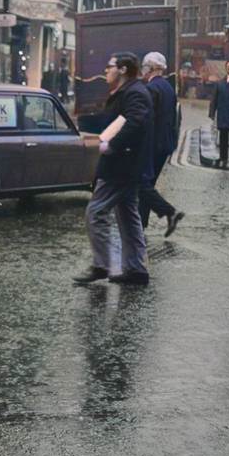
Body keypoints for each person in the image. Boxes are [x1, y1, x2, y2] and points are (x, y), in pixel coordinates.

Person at [73, 52, 153, 286]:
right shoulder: (127, 91)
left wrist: (112, 145)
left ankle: (102, 265)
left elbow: (135, 123)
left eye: (110, 66)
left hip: (121, 166)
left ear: (123, 70)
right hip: (127, 166)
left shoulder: (135, 93)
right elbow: (115, 120)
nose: (106, 71)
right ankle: (136, 269)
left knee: (95, 213)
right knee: (128, 216)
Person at [139, 52, 185, 237]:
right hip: (164, 144)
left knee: (141, 183)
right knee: (147, 184)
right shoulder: (167, 87)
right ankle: (141, 224)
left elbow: (145, 120)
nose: (142, 71)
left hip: (151, 145)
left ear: (151, 68)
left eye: (144, 67)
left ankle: (169, 212)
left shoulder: (151, 88)